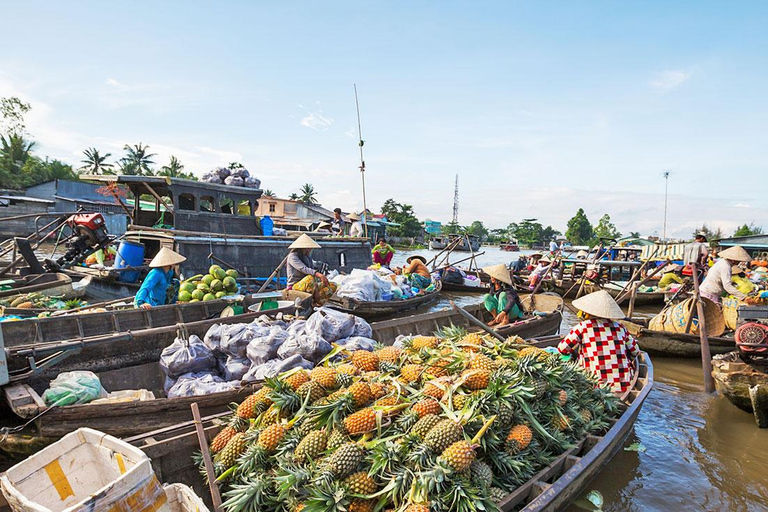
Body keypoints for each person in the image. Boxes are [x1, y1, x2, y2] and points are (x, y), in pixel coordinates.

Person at [558, 290, 640, 394]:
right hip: (622, 388)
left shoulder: (583, 327)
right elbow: (635, 351)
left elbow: (562, 349)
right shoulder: (620, 328)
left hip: (593, 388)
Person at [286, 234, 336, 305]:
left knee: (333, 285)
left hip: (310, 285)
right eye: (307, 247)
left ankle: (318, 303)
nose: (309, 249)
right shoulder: (292, 256)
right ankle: (310, 303)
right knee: (310, 278)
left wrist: (316, 290)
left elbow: (311, 270)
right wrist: (320, 275)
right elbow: (304, 269)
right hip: (295, 286)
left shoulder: (307, 257)